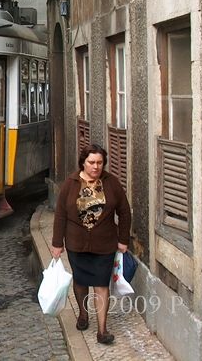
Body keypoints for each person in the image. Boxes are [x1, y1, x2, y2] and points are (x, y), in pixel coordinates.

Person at [51, 144, 131, 345]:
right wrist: (56, 243)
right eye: (92, 162)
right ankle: (83, 313)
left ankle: (102, 330)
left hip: (105, 244)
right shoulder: (70, 183)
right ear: (83, 162)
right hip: (76, 244)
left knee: (102, 284)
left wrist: (123, 239)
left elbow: (124, 211)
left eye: (100, 163)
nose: (96, 167)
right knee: (80, 281)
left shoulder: (111, 183)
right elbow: (60, 215)